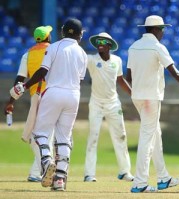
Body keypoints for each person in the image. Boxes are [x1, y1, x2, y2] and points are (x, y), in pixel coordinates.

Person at [8, 18, 87, 191]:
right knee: (64, 137)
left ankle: (46, 161)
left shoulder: (54, 47)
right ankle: (59, 179)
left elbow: (43, 71)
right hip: (73, 95)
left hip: (53, 93)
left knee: (40, 133)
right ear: (80, 35)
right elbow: (80, 79)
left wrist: (25, 86)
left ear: (62, 31)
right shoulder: (82, 53)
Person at [126, 15, 179, 193]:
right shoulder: (157, 47)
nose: (164, 33)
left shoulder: (133, 47)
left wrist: (138, 91)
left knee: (155, 134)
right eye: (162, 29)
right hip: (151, 98)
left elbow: (128, 77)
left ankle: (164, 177)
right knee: (147, 139)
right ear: (156, 30)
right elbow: (174, 72)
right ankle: (140, 183)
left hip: (138, 97)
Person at [4, 25, 54, 182]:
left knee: (40, 134)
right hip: (54, 94)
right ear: (47, 37)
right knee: (44, 135)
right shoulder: (54, 50)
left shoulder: (27, 55)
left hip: (36, 97)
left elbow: (19, 81)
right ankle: (41, 170)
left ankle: (37, 171)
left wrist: (11, 102)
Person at [83, 32, 134, 182]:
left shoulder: (117, 60)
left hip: (113, 103)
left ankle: (125, 172)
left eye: (103, 41)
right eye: (98, 41)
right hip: (96, 104)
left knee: (121, 136)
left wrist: (134, 94)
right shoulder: (91, 60)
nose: (99, 43)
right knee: (93, 137)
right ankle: (89, 174)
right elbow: (77, 58)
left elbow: (120, 80)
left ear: (109, 45)